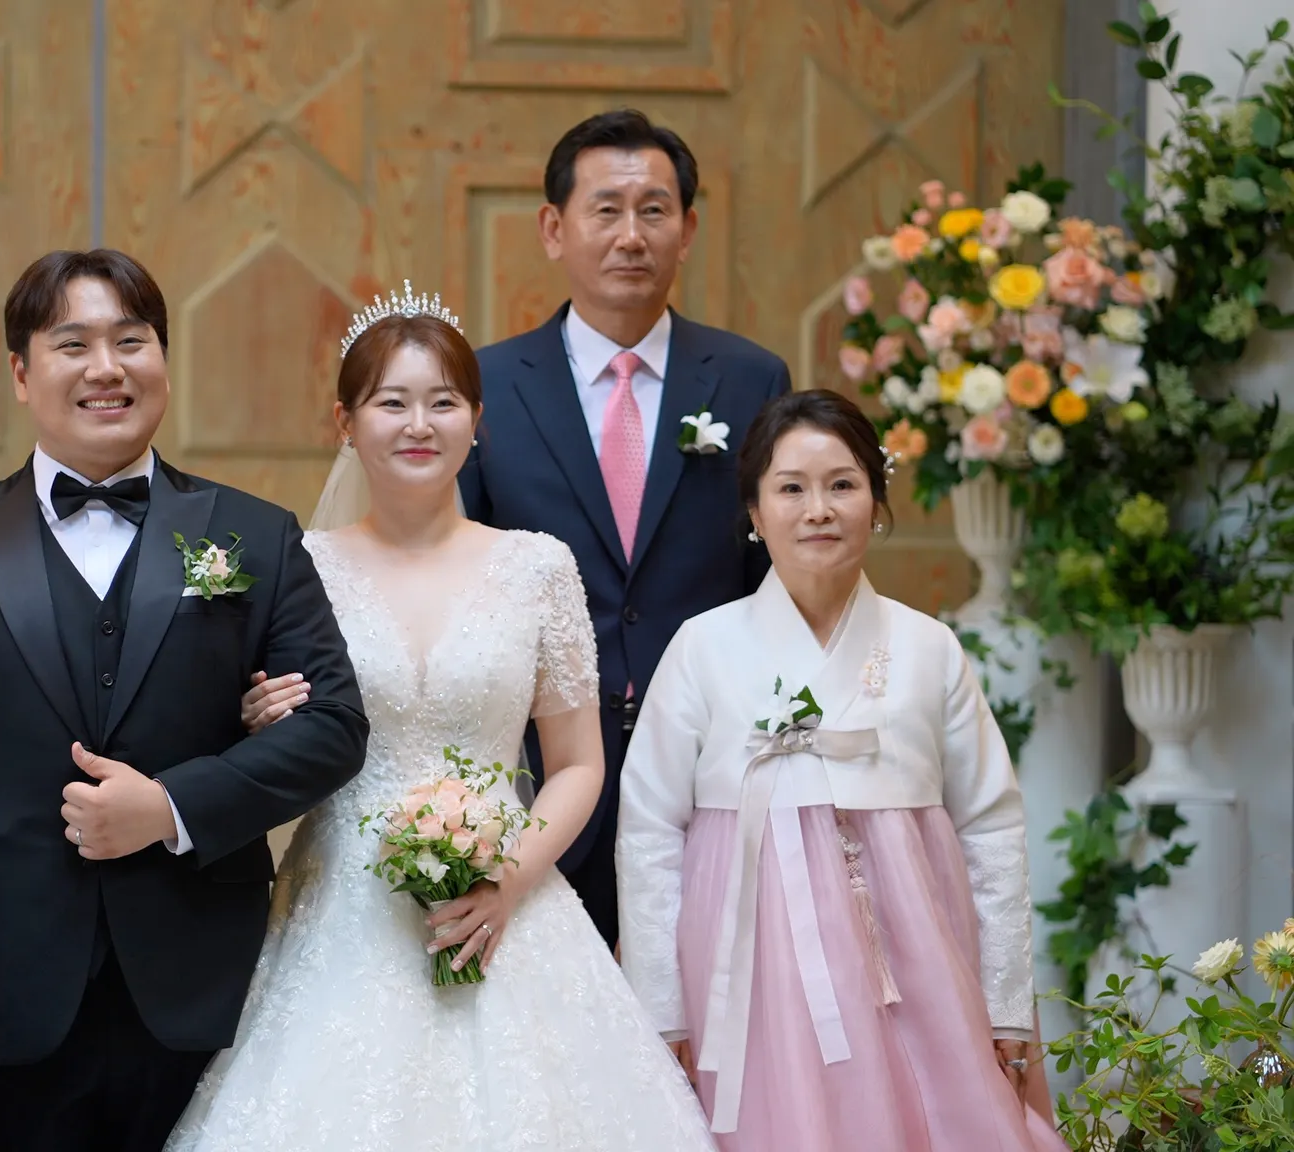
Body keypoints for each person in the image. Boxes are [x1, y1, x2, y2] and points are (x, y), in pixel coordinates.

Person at [166, 287, 716, 1151]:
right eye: (392, 402)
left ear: (476, 421)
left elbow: (579, 763)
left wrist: (509, 880)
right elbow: (264, 731)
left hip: (510, 898)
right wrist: (257, 718)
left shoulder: (538, 568)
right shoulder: (300, 566)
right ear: (346, 423)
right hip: (341, 906)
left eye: (443, 402)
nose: (419, 424)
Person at [0, 248, 368, 1152]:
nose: (106, 368)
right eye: (73, 345)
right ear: (21, 372)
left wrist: (170, 806)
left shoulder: (253, 534)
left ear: (163, 358)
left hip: (201, 978)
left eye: (131, 342)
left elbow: (333, 728)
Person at [616, 389, 1063, 1150]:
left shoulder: (930, 649)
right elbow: (650, 830)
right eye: (791, 488)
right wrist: (664, 1010)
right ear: (755, 514)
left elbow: (992, 828)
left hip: (913, 957)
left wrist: (1007, 1003)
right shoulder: (702, 647)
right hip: (747, 961)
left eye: (843, 485)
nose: (818, 509)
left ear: (876, 505)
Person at [461, 109, 792, 947]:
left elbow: (776, 577)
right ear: (554, 228)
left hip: (711, 765)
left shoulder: (752, 379)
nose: (631, 235)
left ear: (688, 229)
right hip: (538, 776)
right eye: (605, 210)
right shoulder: (483, 389)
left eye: (654, 210)